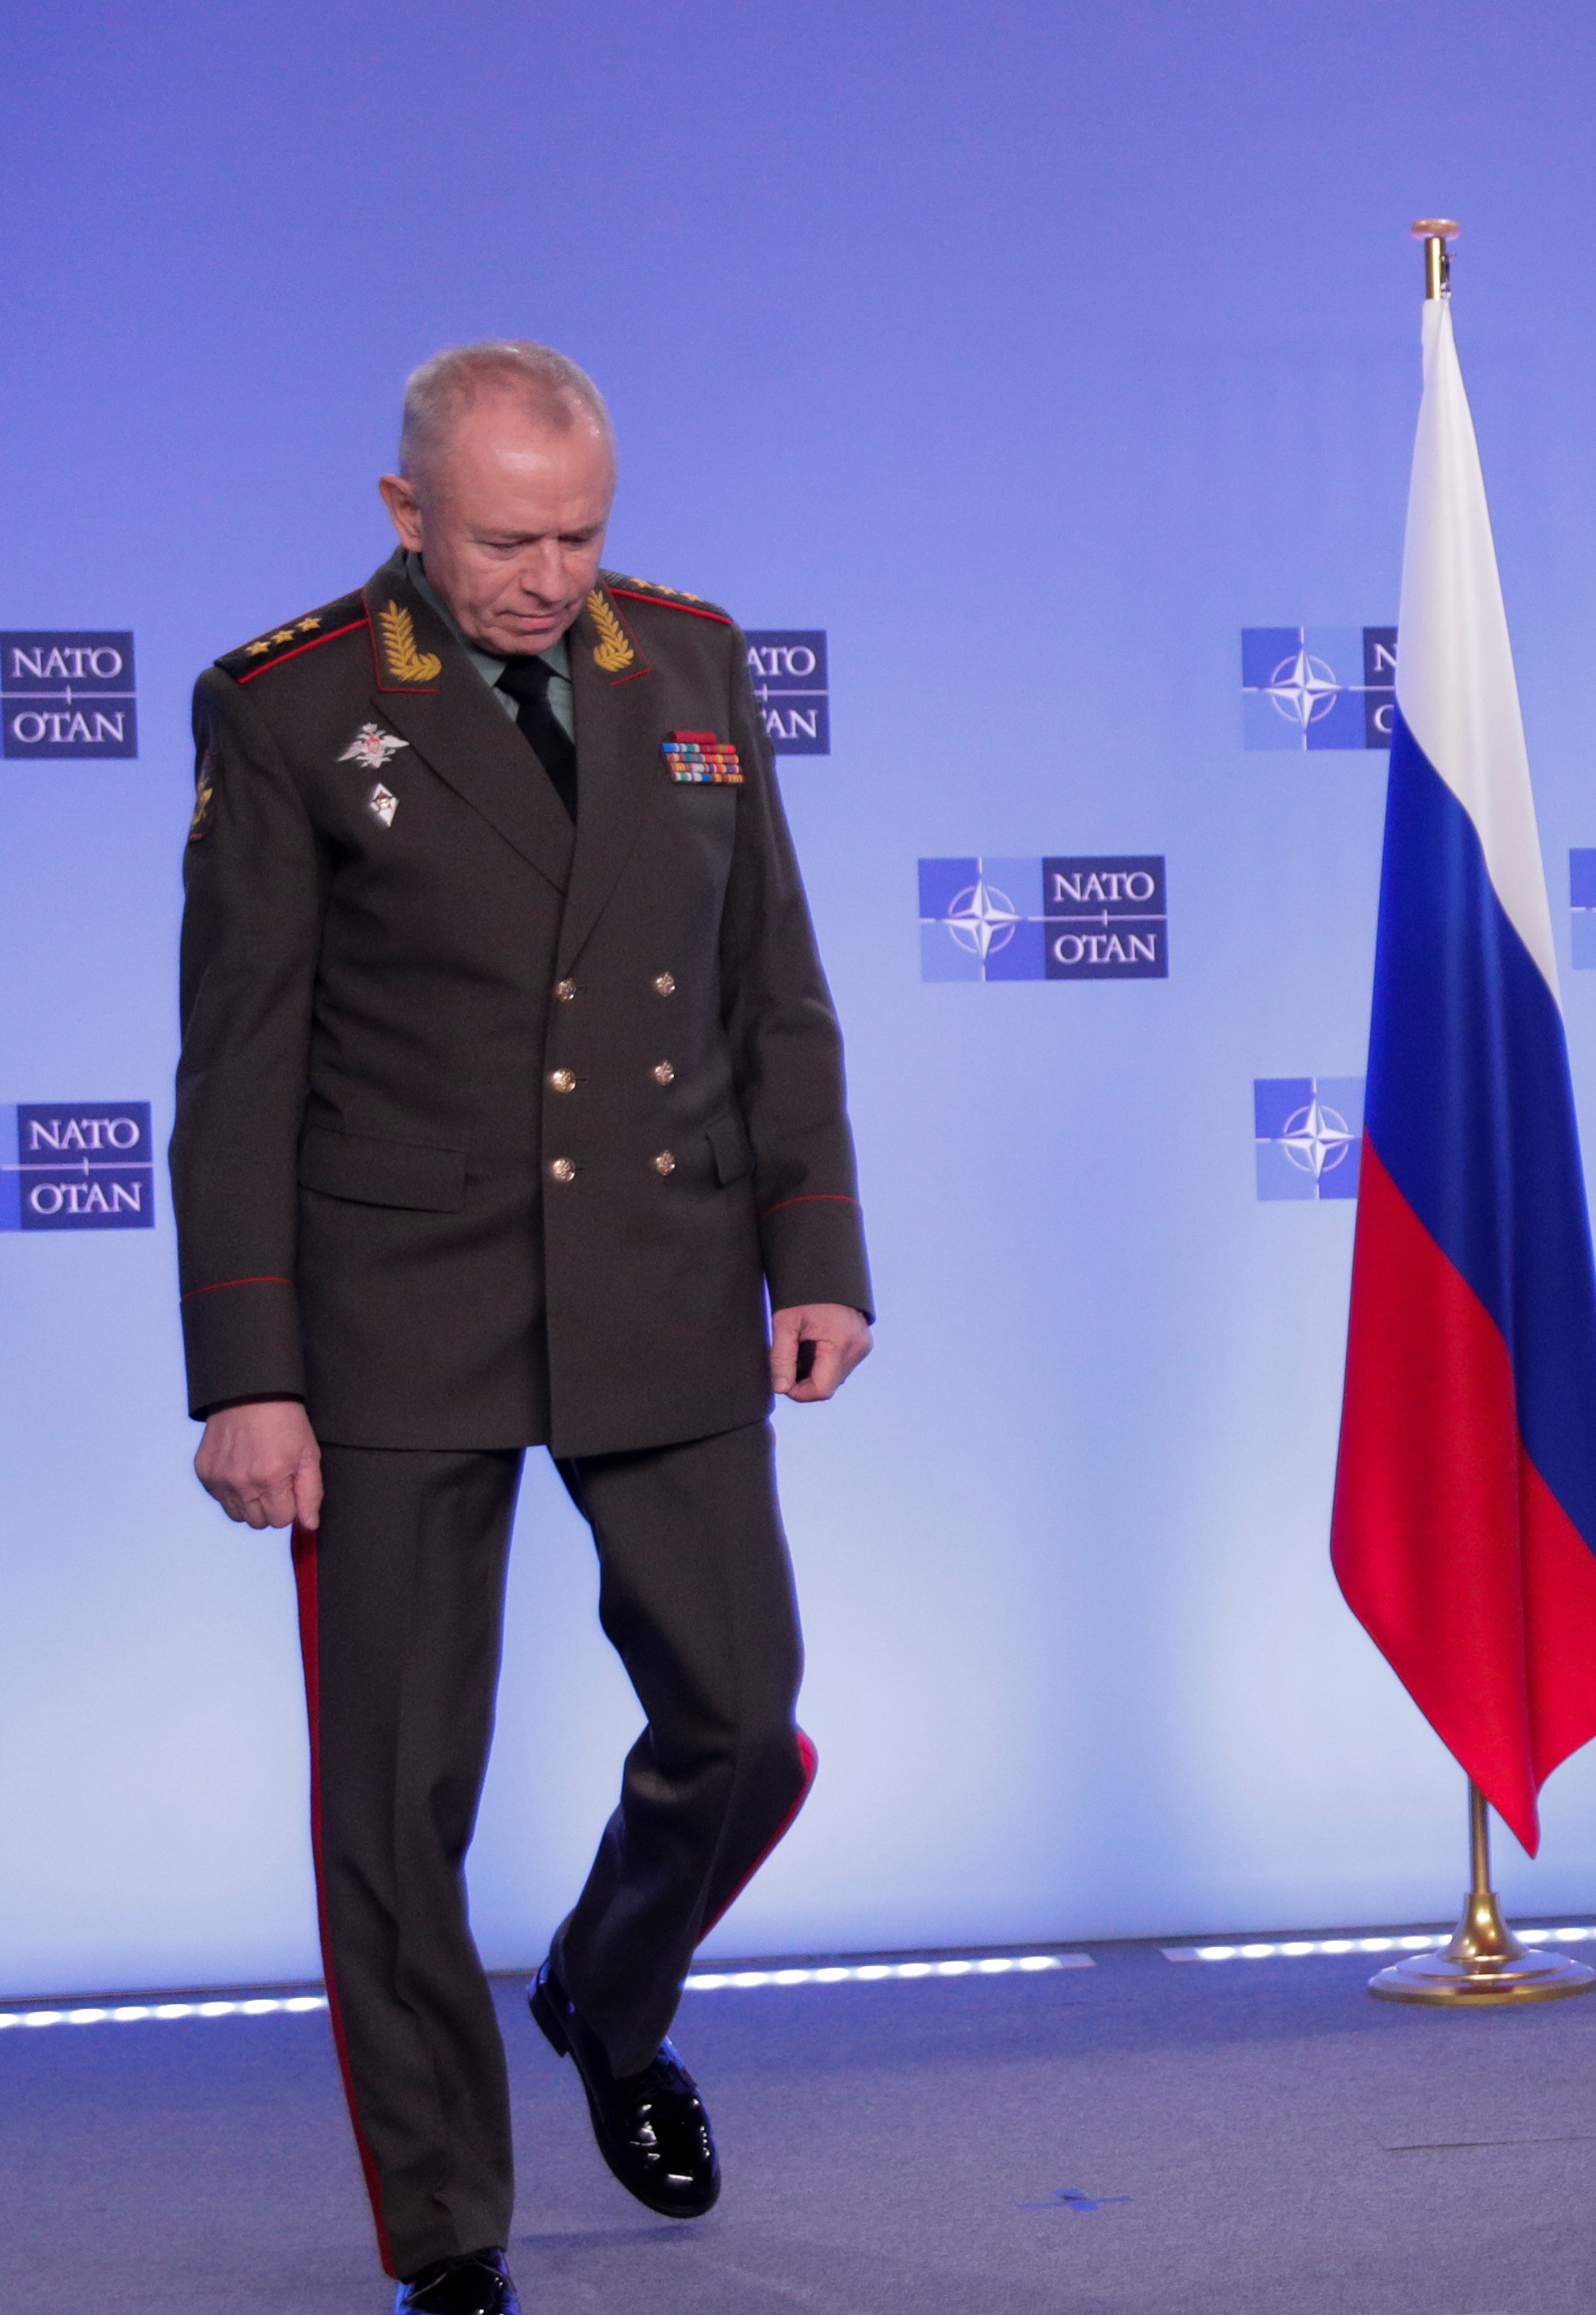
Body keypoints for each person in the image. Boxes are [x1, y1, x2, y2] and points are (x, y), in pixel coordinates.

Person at [174, 341, 871, 2315]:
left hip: (663, 1271)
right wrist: (250, 1373)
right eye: (503, 542)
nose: (547, 578)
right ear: (406, 514)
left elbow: (773, 982)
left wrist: (815, 1249)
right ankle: (449, 2234)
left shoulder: (696, 664)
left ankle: (608, 1987)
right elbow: (238, 1063)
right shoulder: (289, 703)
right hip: (398, 1315)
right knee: (396, 1806)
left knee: (739, 1716)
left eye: (578, 537)